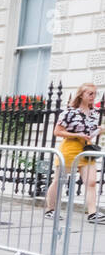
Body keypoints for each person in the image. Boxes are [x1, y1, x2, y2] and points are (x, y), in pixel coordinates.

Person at [45, 83, 101, 222]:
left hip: (86, 149)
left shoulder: (95, 113)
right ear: (81, 95)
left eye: (95, 94)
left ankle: (92, 213)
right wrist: (78, 135)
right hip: (70, 148)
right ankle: (50, 210)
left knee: (92, 182)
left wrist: (100, 129)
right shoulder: (70, 112)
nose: (93, 97)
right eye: (90, 94)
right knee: (59, 181)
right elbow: (57, 132)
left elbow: (91, 130)